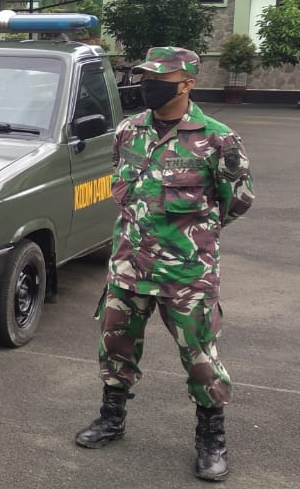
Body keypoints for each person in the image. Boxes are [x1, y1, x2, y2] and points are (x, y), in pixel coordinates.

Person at [74, 46, 253, 482]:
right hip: (129, 267)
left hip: (186, 273)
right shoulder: (128, 131)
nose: (147, 85)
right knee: (115, 346)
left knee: (200, 358)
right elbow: (125, 186)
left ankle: (211, 439)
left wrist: (191, 239)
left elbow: (237, 202)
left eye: (159, 79)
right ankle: (111, 418)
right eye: (146, 76)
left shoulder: (218, 139)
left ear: (187, 83)